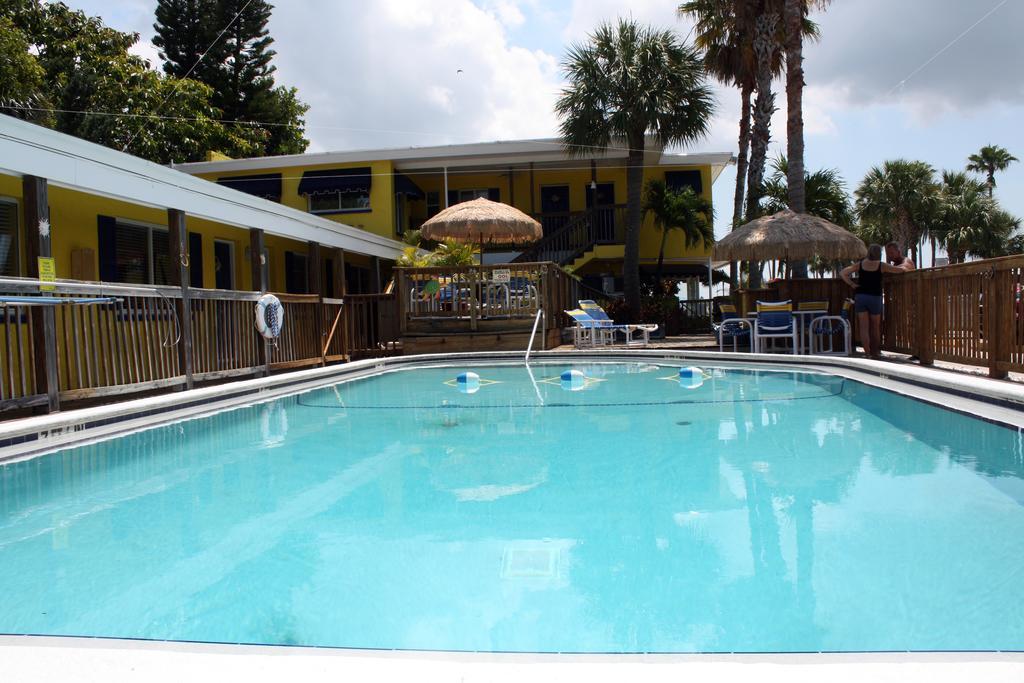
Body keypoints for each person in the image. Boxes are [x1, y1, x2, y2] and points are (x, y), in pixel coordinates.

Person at [840, 243, 906, 359]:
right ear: (879, 253)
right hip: (875, 297)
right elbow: (899, 271)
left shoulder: (860, 264)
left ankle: (867, 353)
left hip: (861, 296)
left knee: (864, 327)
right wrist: (906, 266)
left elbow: (843, 273)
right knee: (875, 326)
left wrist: (852, 284)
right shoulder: (881, 265)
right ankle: (875, 352)